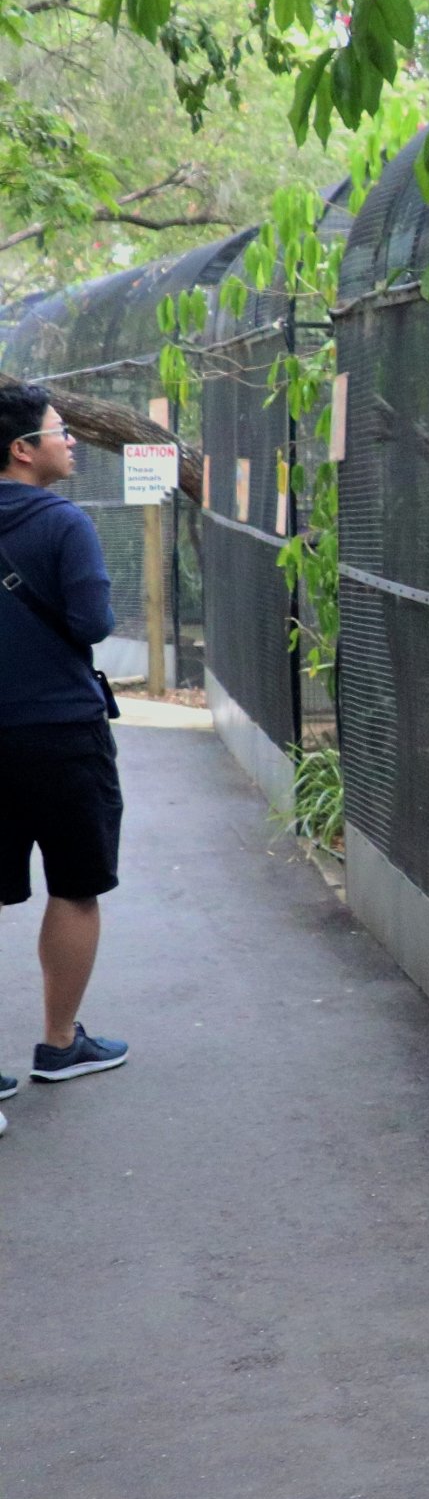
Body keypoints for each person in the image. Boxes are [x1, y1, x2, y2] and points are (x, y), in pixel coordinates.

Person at [0, 383, 132, 1132]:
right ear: (23, 449)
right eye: (60, 431)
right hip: (59, 732)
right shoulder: (63, 523)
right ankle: (58, 1044)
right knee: (75, 885)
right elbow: (92, 621)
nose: (73, 440)